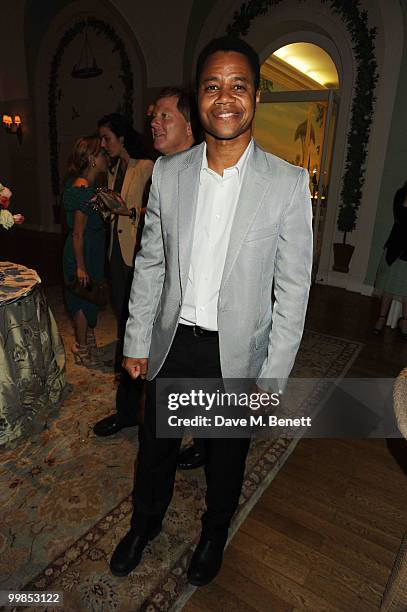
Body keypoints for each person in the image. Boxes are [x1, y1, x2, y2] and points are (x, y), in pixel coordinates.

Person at [109, 36, 313, 585]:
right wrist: (135, 342)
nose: (225, 98)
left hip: (236, 354)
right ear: (199, 98)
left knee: (226, 459)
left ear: (256, 97)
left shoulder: (289, 185)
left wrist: (272, 378)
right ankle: (144, 525)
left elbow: (293, 292)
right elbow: (150, 263)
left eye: (238, 86)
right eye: (212, 86)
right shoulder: (169, 175)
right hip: (174, 344)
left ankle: (213, 533)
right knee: (155, 450)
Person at [93, 92, 196, 437]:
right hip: (137, 265)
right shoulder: (159, 170)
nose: (154, 122)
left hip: (186, 295)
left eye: (165, 116)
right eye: (154, 116)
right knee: (131, 337)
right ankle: (128, 412)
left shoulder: (201, 171)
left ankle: (200, 437)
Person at [92, 114, 154, 435]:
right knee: (122, 321)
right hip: (116, 254)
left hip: (138, 256)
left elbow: (157, 211)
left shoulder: (147, 167)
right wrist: (105, 206)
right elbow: (115, 210)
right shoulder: (114, 168)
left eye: (107, 138)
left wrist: (127, 211)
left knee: (134, 326)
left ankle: (131, 407)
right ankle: (129, 405)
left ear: (122, 137)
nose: (103, 144)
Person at [63, 136, 108, 366]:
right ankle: (80, 349)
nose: (106, 157)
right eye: (102, 153)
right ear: (92, 159)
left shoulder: (88, 186)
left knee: (90, 297)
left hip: (91, 249)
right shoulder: (81, 188)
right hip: (82, 251)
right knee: (81, 299)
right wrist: (80, 266)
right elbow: (78, 233)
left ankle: (88, 343)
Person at [373, 180, 407, 337]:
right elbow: (400, 218)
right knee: (387, 287)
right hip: (395, 248)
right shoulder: (401, 194)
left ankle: (405, 323)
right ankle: (381, 319)